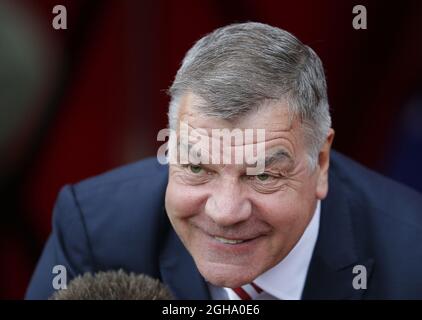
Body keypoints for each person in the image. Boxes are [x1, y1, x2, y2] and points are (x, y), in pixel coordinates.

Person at [26, 22, 422, 300]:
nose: (226, 211)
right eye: (198, 168)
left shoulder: (411, 257)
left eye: (263, 174)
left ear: (320, 162)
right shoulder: (95, 231)